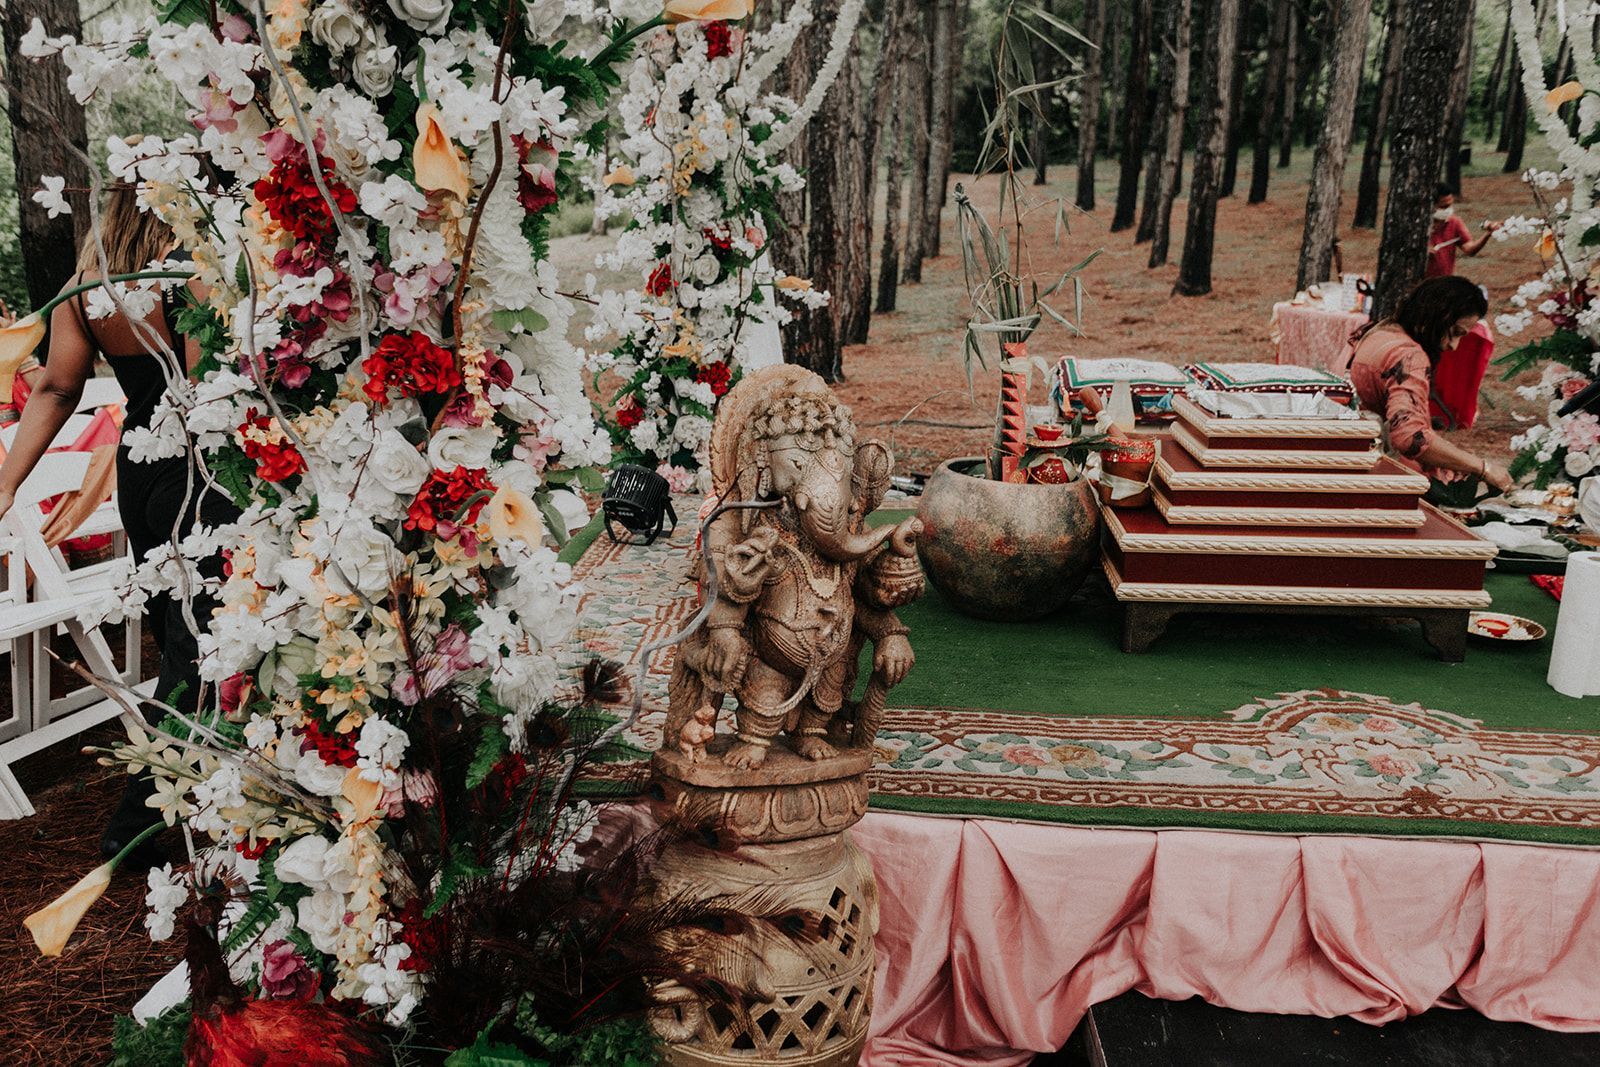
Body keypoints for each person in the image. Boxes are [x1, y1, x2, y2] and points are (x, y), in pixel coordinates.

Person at [0, 180, 234, 866]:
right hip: (205, 471)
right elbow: (205, 392)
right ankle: (135, 825)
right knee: (203, 651)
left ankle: (210, 794)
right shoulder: (187, 276)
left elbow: (55, 388)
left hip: (141, 474)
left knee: (177, 636)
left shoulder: (84, 290)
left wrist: (6, 483)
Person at [1349, 276, 1513, 493]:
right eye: (1455, 333)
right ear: (1438, 316)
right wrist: (1483, 468)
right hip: (1377, 480)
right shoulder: (1408, 356)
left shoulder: (1378, 332)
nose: (1454, 346)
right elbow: (1410, 438)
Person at [1427, 183, 1501, 279]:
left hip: (1444, 282)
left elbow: (1469, 250)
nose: (1448, 210)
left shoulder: (1455, 222)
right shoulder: (1417, 226)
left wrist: (1487, 234)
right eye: (1444, 207)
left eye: (1450, 206)